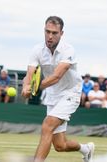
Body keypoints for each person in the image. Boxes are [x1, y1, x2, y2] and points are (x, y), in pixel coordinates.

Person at [21, 16, 94, 162]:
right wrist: (26, 87)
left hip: (71, 93)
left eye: (54, 33)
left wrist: (35, 88)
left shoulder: (69, 50)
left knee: (47, 125)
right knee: (60, 145)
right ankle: (86, 149)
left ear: (61, 33)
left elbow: (56, 76)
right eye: (47, 32)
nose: (50, 36)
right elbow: (30, 74)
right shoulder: (37, 50)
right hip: (53, 95)